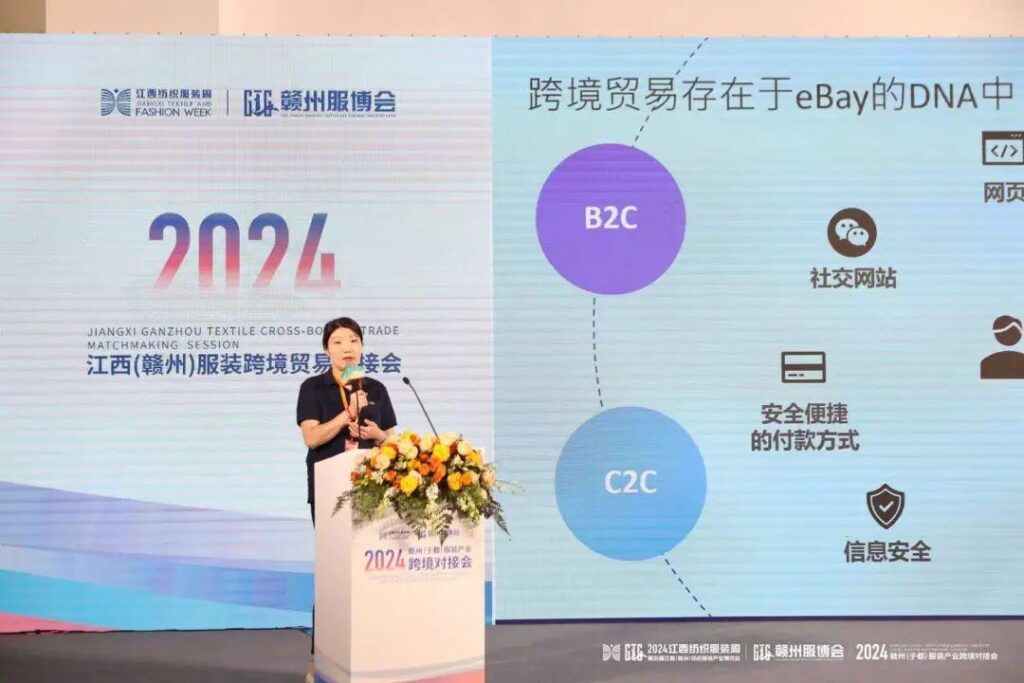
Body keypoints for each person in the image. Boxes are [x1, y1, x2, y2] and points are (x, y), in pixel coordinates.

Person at [295, 317, 397, 679]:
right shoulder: (313, 388)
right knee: (333, 577)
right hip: (329, 494)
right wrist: (346, 415)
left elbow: (395, 440)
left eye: (353, 340)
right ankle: (320, 660)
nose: (347, 348)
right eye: (338, 342)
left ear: (362, 346)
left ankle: (371, 657)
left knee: (373, 575)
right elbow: (312, 438)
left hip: (373, 493)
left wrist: (378, 435)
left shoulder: (377, 388)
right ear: (327, 350)